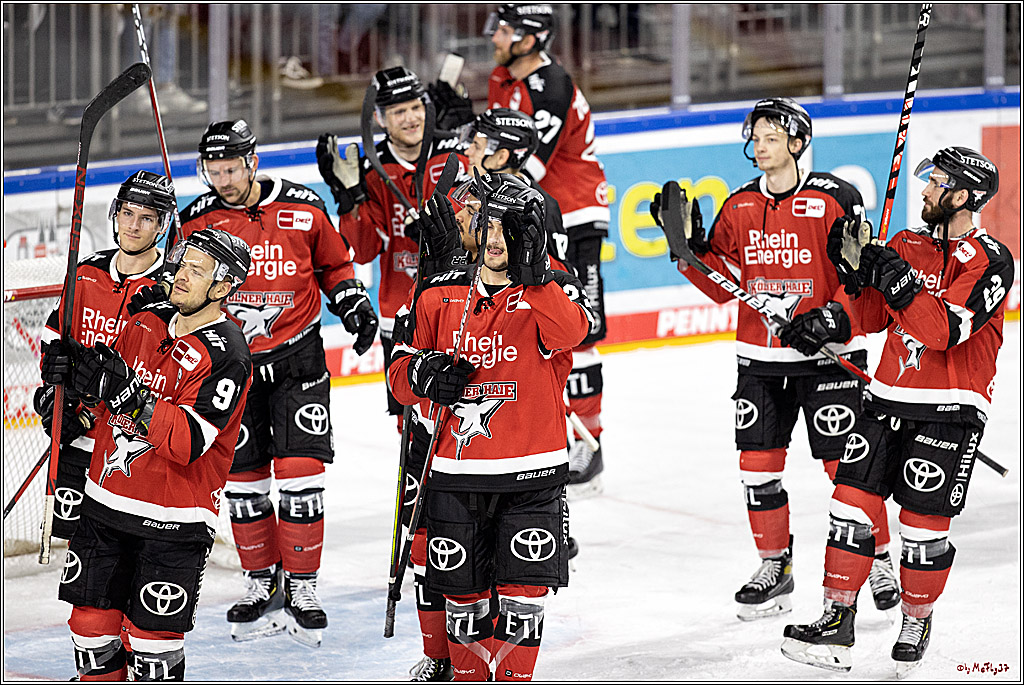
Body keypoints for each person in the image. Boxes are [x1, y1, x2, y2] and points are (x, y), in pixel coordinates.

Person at [650, 97, 898, 621]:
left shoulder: (836, 197)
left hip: (829, 358)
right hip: (760, 359)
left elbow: (860, 275)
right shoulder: (739, 204)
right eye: (755, 138)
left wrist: (833, 318)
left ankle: (878, 560)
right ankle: (775, 566)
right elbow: (721, 284)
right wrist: (685, 252)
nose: (760, 147)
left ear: (798, 142)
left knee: (847, 470)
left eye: (771, 137)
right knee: (757, 469)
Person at [781, 147, 1010, 675]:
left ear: (964, 195)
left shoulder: (991, 259)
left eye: (937, 182)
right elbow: (871, 318)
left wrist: (896, 279)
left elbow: (942, 332)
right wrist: (845, 291)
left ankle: (916, 619)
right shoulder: (906, 243)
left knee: (921, 531)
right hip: (885, 398)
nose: (925, 189)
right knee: (849, 508)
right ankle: (836, 620)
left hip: (950, 409)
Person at [179, 119, 378, 647]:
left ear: (252, 162)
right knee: (244, 482)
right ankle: (261, 581)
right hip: (230, 366)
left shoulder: (303, 207)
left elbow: (335, 265)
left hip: (297, 359)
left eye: (231, 168)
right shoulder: (196, 221)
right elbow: (181, 288)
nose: (222, 180)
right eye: (213, 170)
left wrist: (354, 305)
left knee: (300, 473)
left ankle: (303, 585)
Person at [388, 174, 595, 681]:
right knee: (464, 604)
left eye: (510, 228)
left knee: (523, 605)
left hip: (532, 476)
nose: (497, 238)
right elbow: (398, 376)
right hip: (455, 476)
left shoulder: (551, 289)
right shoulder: (438, 291)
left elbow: (574, 332)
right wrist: (423, 375)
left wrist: (537, 276)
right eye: (489, 224)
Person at [41, 228, 253, 681]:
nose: (181, 275)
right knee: (90, 631)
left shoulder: (228, 353)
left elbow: (188, 442)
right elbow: (105, 389)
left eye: (197, 271)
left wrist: (129, 395)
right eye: (182, 264)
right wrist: (68, 391)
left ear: (223, 287)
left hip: (173, 521)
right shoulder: (146, 320)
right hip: (104, 504)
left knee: (152, 648)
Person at [483, 3, 612, 497]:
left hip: (573, 216)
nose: (495, 37)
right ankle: (557, 437)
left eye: (504, 30)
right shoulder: (502, 79)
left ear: (530, 37)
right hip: (533, 216)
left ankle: (590, 446)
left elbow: (526, 165)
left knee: (581, 329)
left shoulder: (552, 84)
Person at [317, 66, 468, 421]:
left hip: (460, 303)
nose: (411, 118)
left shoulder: (456, 155)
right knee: (409, 420)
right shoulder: (371, 170)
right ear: (379, 119)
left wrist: (441, 230)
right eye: (399, 112)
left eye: (416, 107)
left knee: (464, 412)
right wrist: (350, 201)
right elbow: (364, 251)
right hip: (401, 310)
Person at [36, 170, 177, 541]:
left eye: (146, 218)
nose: (133, 226)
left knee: (119, 547)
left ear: (161, 225)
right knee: (73, 544)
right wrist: (53, 394)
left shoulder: (171, 290)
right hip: (80, 435)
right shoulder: (86, 271)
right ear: (116, 213)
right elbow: (54, 341)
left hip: (130, 446)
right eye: (128, 213)